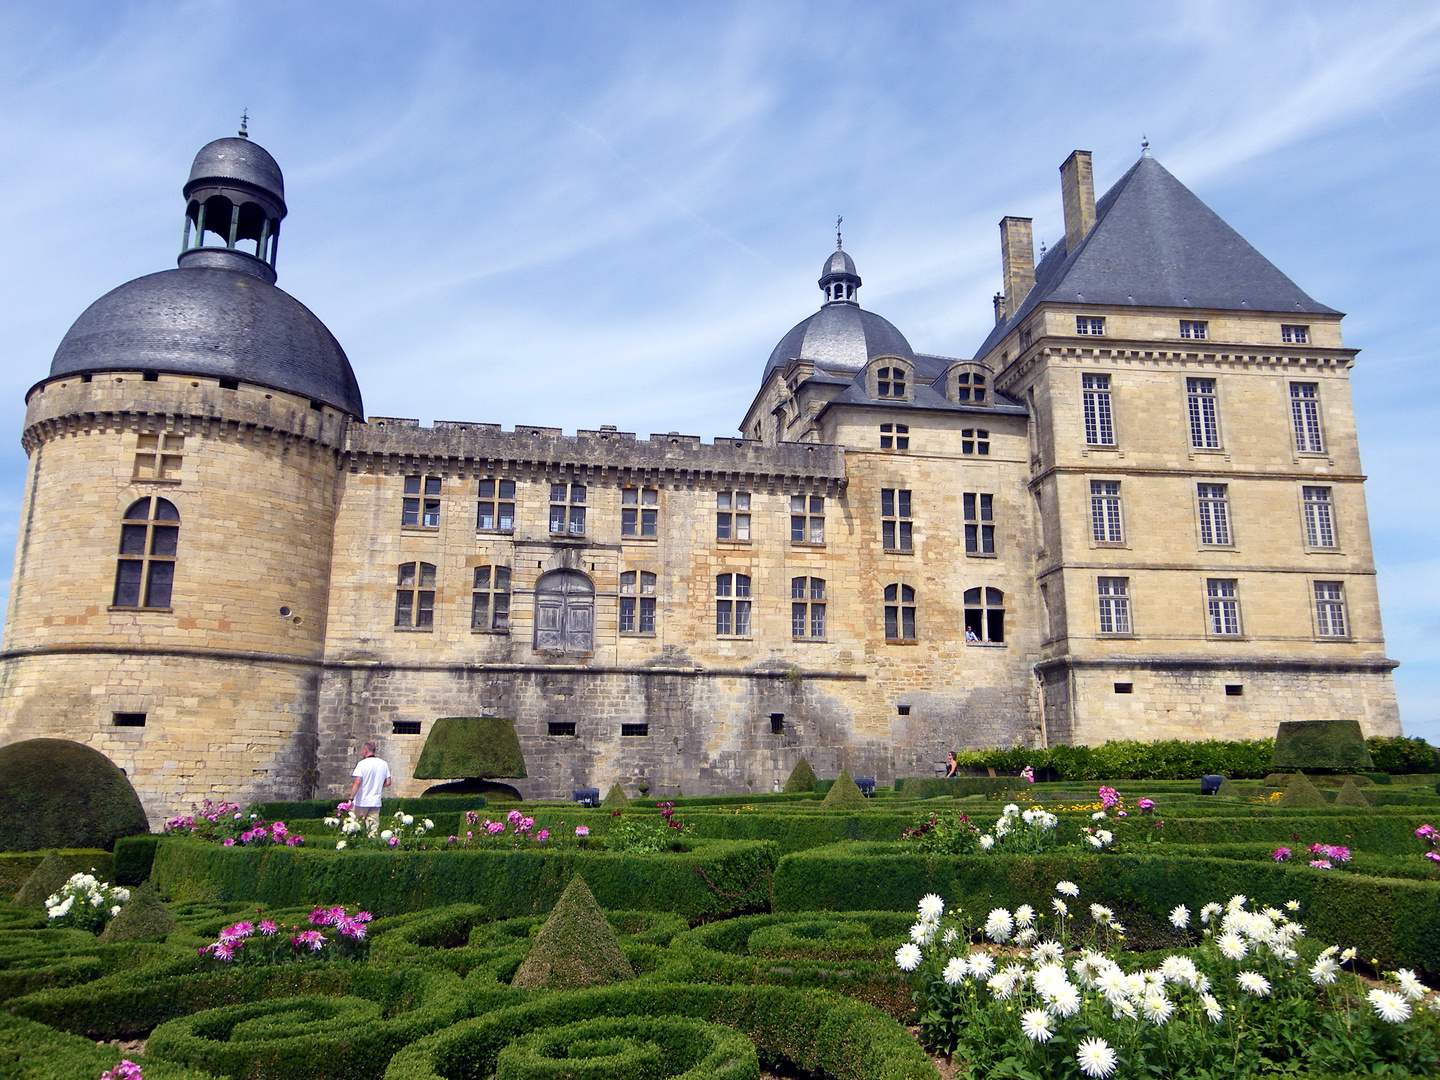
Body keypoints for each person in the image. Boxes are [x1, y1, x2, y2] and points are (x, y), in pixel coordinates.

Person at [349, 741, 391, 831]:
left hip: (362, 801)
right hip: (375, 801)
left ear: (365, 750)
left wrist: (351, 798)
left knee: (355, 826)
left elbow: (357, 782)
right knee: (373, 828)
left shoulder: (362, 764)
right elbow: (388, 782)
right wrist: (378, 785)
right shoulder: (383, 764)